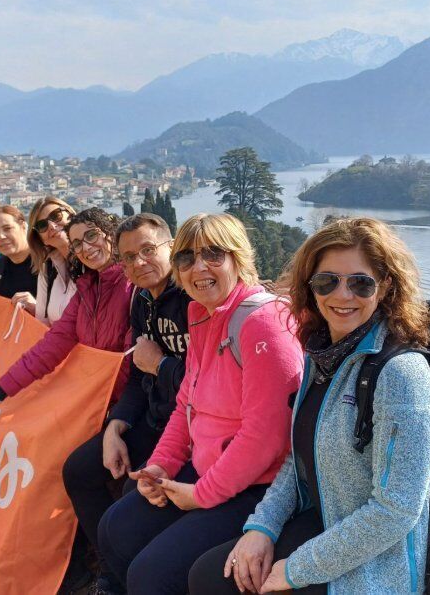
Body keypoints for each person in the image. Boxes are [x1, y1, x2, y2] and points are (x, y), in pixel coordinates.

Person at [189, 217, 430, 595]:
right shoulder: (323, 356)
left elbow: (395, 511)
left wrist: (296, 569)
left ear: (386, 287)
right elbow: (298, 459)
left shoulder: (402, 376)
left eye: (360, 282)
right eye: (326, 281)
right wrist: (261, 528)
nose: (342, 295)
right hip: (329, 519)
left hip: (384, 559)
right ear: (310, 288)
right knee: (210, 575)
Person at [96, 213, 303, 595]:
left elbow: (267, 435)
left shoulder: (263, 324)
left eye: (213, 254)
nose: (199, 267)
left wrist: (202, 494)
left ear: (237, 259)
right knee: (115, 529)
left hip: (256, 487)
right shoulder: (202, 315)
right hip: (207, 470)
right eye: (186, 258)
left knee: (152, 575)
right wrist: (161, 466)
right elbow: (185, 404)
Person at [62, 212, 191, 594]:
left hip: (188, 432)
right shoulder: (142, 302)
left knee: (131, 507)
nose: (139, 262)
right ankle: (112, 568)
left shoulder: (192, 298)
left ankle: (125, 574)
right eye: (130, 256)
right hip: (152, 420)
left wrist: (162, 365)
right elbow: (138, 375)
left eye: (149, 250)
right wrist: (116, 427)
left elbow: (209, 386)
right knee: (79, 470)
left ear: (171, 247)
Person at [0, 207, 133, 417]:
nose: (86, 247)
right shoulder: (86, 292)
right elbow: (52, 345)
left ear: (110, 233)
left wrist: (102, 407)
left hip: (122, 407)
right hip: (98, 401)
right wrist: (2, 389)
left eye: (92, 235)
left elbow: (132, 362)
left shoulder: (133, 284)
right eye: (77, 244)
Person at [15, 196, 78, 325]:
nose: (52, 226)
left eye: (56, 216)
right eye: (42, 225)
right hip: (58, 343)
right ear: (40, 238)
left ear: (70, 214)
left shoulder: (92, 261)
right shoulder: (47, 268)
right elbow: (42, 322)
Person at [0, 206, 37, 299]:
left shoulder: (47, 262)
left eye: (7, 228)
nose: (1, 236)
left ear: (24, 227)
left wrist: (37, 308)